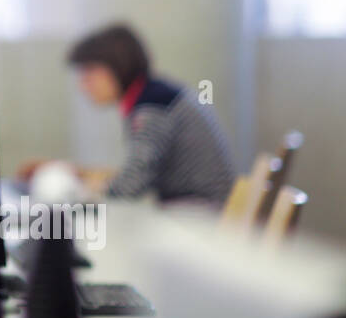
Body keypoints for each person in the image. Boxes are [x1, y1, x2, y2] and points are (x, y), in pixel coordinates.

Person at [18, 23, 238, 207]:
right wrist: (77, 174)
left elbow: (130, 187)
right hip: (196, 208)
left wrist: (73, 195)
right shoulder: (156, 96)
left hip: (200, 214)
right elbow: (135, 174)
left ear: (116, 67)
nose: (83, 86)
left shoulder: (152, 107)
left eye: (88, 74)